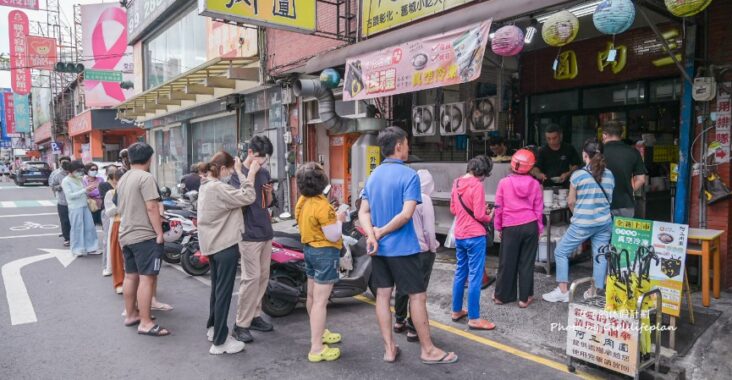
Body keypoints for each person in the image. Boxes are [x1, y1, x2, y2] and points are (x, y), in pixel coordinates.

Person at [359, 126, 457, 365]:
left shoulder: (374, 175)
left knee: (383, 296)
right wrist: (380, 231)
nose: (408, 148)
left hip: (379, 250)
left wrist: (372, 235)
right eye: (407, 144)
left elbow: (363, 211)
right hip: (403, 249)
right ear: (399, 146)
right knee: (417, 297)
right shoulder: (409, 175)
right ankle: (428, 350)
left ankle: (389, 349)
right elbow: (406, 214)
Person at [198, 151, 257, 355]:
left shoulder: (205, 185)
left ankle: (214, 329)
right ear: (222, 169)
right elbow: (249, 196)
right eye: (230, 170)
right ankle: (221, 342)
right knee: (223, 293)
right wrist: (243, 175)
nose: (230, 174)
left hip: (213, 244)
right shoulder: (218, 187)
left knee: (217, 290)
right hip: (224, 244)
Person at [543, 140, 614, 303]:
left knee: (561, 251)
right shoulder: (610, 174)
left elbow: (570, 201)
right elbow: (609, 198)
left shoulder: (578, 175)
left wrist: (578, 215)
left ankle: (562, 291)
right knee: (600, 256)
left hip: (583, 223)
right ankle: (595, 291)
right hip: (604, 222)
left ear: (585, 155)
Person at [294, 162, 347, 362]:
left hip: (309, 250)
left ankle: (320, 332)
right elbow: (333, 235)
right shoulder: (323, 206)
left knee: (311, 296)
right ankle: (316, 348)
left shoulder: (302, 201)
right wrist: (340, 218)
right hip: (325, 253)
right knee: (320, 302)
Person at [116, 142, 169, 337]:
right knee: (147, 278)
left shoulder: (124, 178)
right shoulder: (145, 178)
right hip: (144, 235)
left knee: (131, 276)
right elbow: (152, 207)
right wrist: (159, 233)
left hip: (126, 234)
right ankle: (145, 322)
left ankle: (131, 315)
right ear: (150, 158)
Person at [230, 135, 275, 344]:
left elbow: (267, 203)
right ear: (250, 153)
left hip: (265, 230)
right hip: (248, 234)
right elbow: (242, 200)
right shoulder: (236, 175)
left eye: (265, 159)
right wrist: (250, 175)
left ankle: (255, 315)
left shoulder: (264, 172)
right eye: (259, 157)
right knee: (251, 278)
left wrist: (270, 193)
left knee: (263, 277)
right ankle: (240, 324)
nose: (262, 162)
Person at [450, 155, 496, 330]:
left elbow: (453, 209)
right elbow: (479, 215)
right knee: (475, 276)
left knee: (460, 272)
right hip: (475, 236)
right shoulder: (477, 186)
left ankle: (456, 310)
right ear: (482, 172)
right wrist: (489, 215)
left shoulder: (456, 183)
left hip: (460, 234)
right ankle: (474, 318)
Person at [493, 149, 543, 308]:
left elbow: (499, 207)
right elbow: (538, 209)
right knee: (526, 263)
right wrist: (539, 228)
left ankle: (501, 296)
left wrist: (498, 227)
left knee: (506, 262)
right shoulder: (535, 184)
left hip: (510, 226)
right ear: (530, 166)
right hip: (530, 225)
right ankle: (524, 298)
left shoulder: (504, 183)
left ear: (513, 164)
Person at [393, 169, 439, 342]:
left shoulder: (403, 196)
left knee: (402, 286)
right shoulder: (424, 199)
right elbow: (429, 229)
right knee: (418, 291)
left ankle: (399, 321)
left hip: (404, 249)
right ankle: (413, 329)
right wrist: (433, 247)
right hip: (421, 251)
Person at [601, 120, 647, 218]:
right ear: (621, 135)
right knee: (623, 233)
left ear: (605, 135)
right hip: (626, 205)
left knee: (603, 233)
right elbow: (641, 179)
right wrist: (629, 189)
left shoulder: (598, 153)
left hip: (601, 204)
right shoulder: (633, 152)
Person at [61, 160, 99, 256]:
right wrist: (84, 190)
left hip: (84, 205)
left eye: (81, 170)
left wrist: (88, 190)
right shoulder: (66, 181)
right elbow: (70, 196)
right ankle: (77, 249)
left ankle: (91, 247)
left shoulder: (79, 179)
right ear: (71, 170)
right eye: (78, 170)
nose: (80, 172)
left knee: (89, 227)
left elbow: (83, 191)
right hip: (75, 207)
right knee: (77, 228)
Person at [105, 168, 126, 294]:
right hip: (118, 224)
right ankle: (119, 282)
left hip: (133, 223)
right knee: (117, 255)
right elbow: (109, 212)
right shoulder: (111, 193)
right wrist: (120, 204)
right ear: (115, 180)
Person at [49, 156, 72, 247]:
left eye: (66, 162)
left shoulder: (74, 172)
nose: (64, 164)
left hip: (75, 202)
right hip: (63, 201)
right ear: (60, 163)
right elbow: (52, 186)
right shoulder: (56, 174)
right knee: (65, 221)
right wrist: (61, 186)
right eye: (62, 163)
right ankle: (67, 238)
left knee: (74, 221)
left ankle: (74, 237)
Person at [100, 165, 119, 276]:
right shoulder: (104, 185)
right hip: (108, 214)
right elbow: (108, 206)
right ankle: (106, 266)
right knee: (108, 239)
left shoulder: (121, 187)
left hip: (120, 217)